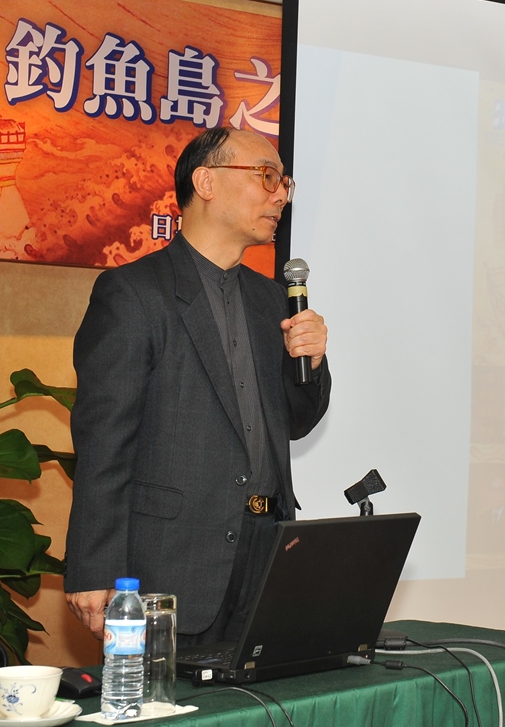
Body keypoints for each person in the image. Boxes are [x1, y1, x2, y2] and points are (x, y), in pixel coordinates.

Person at [63, 126, 330, 645]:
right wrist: (93, 568)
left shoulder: (271, 300)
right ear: (206, 182)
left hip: (265, 557)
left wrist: (312, 363)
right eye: (267, 176)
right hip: (170, 565)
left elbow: (295, 422)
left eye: (285, 183)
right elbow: (104, 442)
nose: (281, 195)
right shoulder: (135, 293)